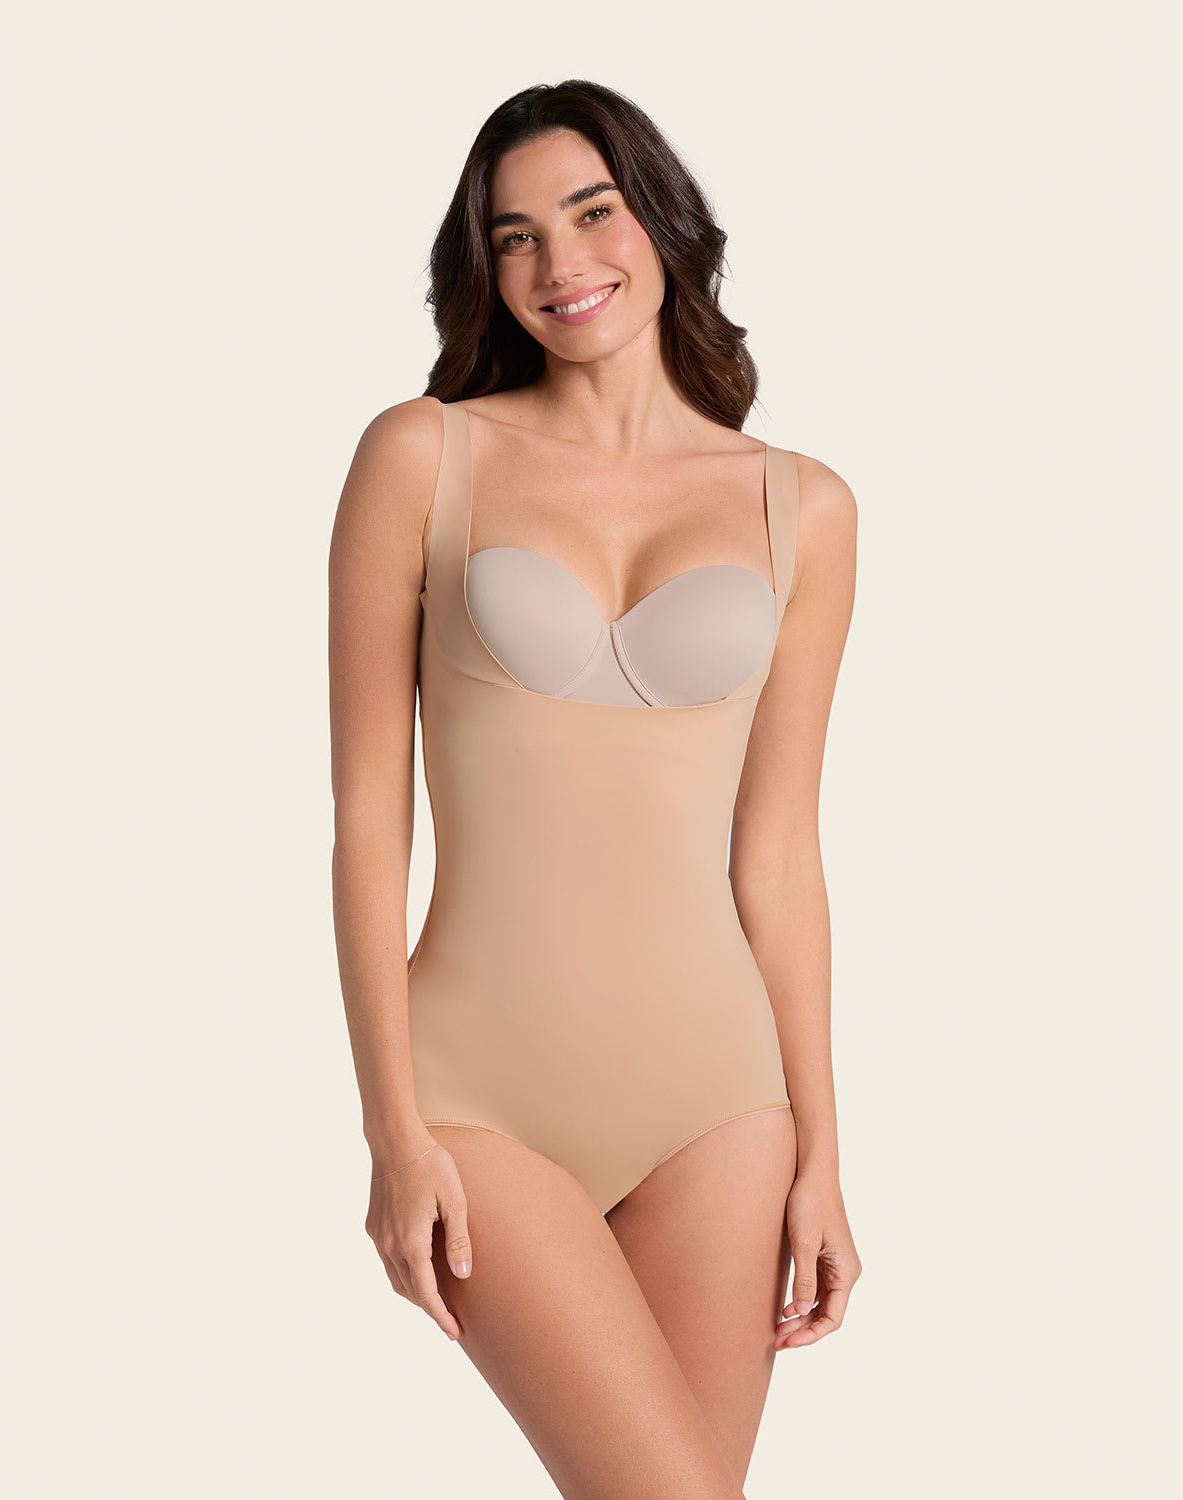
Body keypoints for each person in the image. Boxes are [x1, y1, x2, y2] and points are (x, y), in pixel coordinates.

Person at [329, 79, 861, 1500]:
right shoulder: (422, 455)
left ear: (662, 221)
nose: (560, 263)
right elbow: (370, 822)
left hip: (720, 1105)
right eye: (514, 237)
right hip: (477, 1095)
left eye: (592, 212)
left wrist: (822, 1152)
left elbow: (780, 858)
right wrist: (391, 1130)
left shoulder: (803, 506)